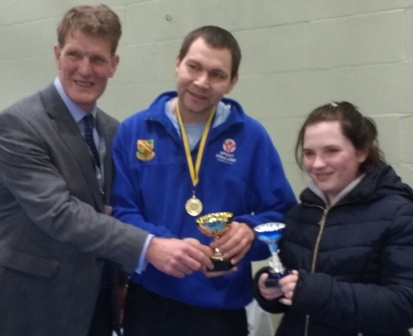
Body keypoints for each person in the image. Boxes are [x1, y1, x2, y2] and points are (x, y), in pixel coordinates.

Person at [0, 5, 213, 336]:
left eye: (98, 59)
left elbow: (115, 211)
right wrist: (149, 247)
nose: (85, 69)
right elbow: (60, 214)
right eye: (75, 55)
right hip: (37, 306)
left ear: (113, 64)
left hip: (99, 305)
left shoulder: (114, 131)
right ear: (57, 55)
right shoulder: (19, 124)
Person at [110, 25, 296, 336]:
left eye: (217, 74)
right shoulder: (134, 132)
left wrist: (248, 234)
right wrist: (156, 245)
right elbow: (121, 212)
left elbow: (281, 217)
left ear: (232, 82)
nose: (201, 82)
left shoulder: (252, 138)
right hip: (150, 304)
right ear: (177, 62)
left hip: (221, 311)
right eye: (194, 67)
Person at [254, 101, 413, 336]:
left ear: (361, 151)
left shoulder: (400, 213)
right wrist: (270, 289)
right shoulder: (300, 214)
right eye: (309, 153)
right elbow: (295, 288)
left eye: (331, 151)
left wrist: (311, 291)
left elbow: (404, 304)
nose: (317, 164)